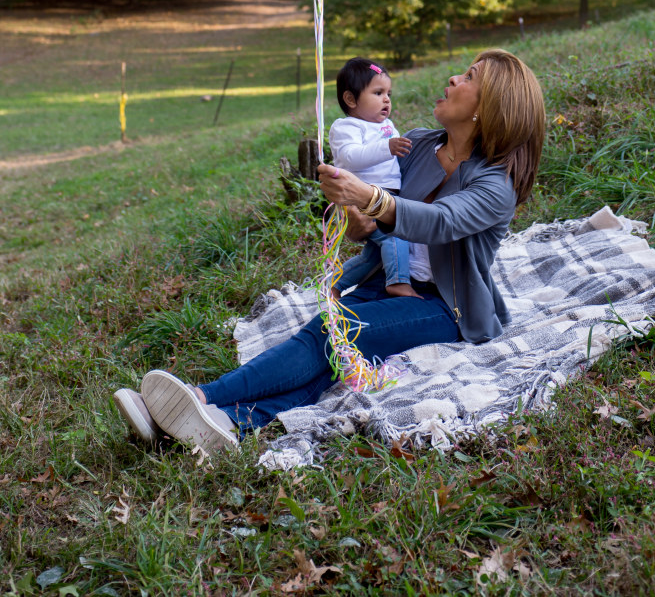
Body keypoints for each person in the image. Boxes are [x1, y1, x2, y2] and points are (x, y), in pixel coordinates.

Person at [113, 49, 545, 452]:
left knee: (330, 331)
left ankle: (199, 396)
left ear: (485, 108)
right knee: (334, 362)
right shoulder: (417, 146)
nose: (453, 77)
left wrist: (370, 197)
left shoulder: (495, 183)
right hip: (386, 282)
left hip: (445, 307)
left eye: (469, 77)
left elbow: (440, 221)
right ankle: (219, 423)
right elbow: (385, 226)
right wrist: (362, 221)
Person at [329, 57, 414, 299]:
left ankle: (334, 285)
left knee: (374, 255)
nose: (386, 99)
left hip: (386, 196)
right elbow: (350, 157)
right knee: (394, 235)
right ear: (351, 99)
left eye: (388, 93)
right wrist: (387, 147)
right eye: (378, 92)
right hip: (363, 199)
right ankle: (398, 282)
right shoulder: (347, 127)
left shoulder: (387, 125)